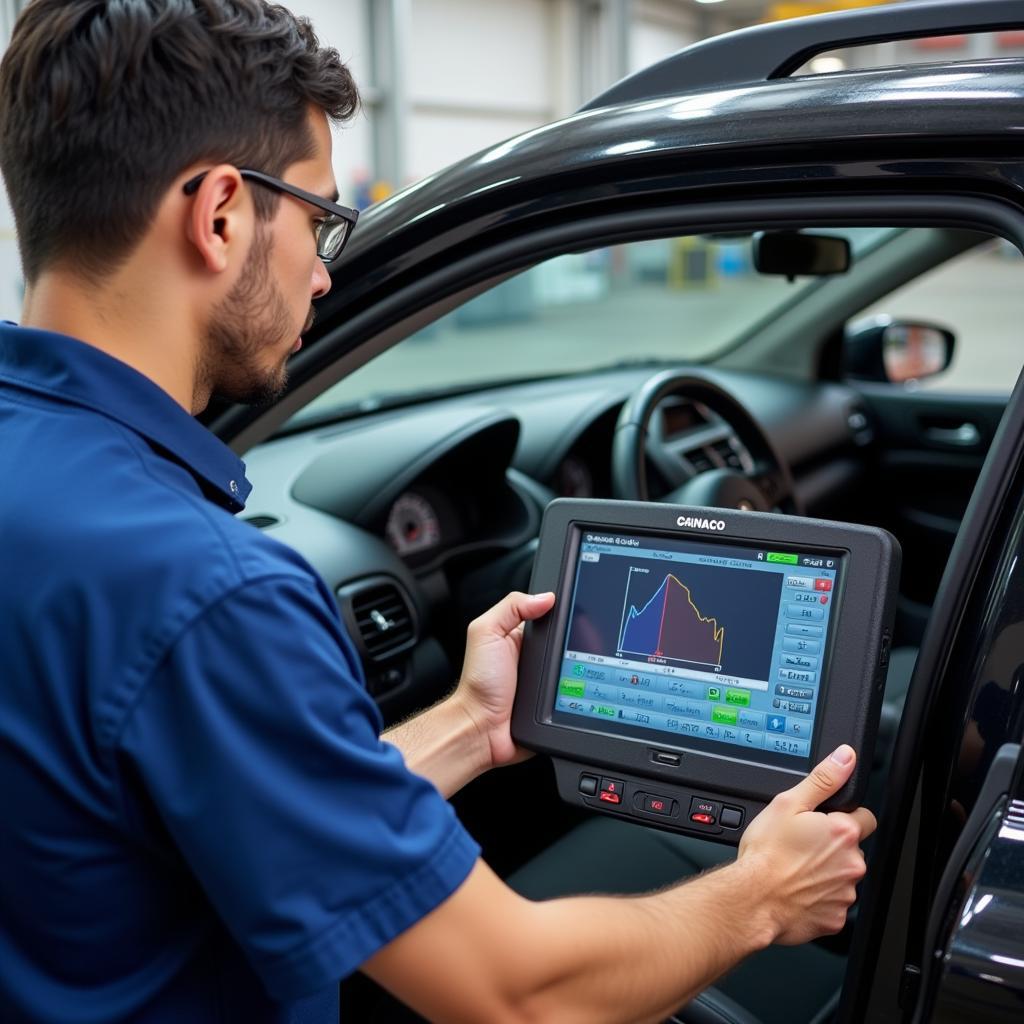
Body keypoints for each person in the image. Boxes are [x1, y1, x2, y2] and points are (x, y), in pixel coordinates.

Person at [0, 2, 875, 1022]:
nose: (326, 271)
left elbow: (228, 804)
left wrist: (466, 723)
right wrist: (761, 895)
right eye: (322, 218)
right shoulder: (208, 594)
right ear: (224, 214)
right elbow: (514, 992)